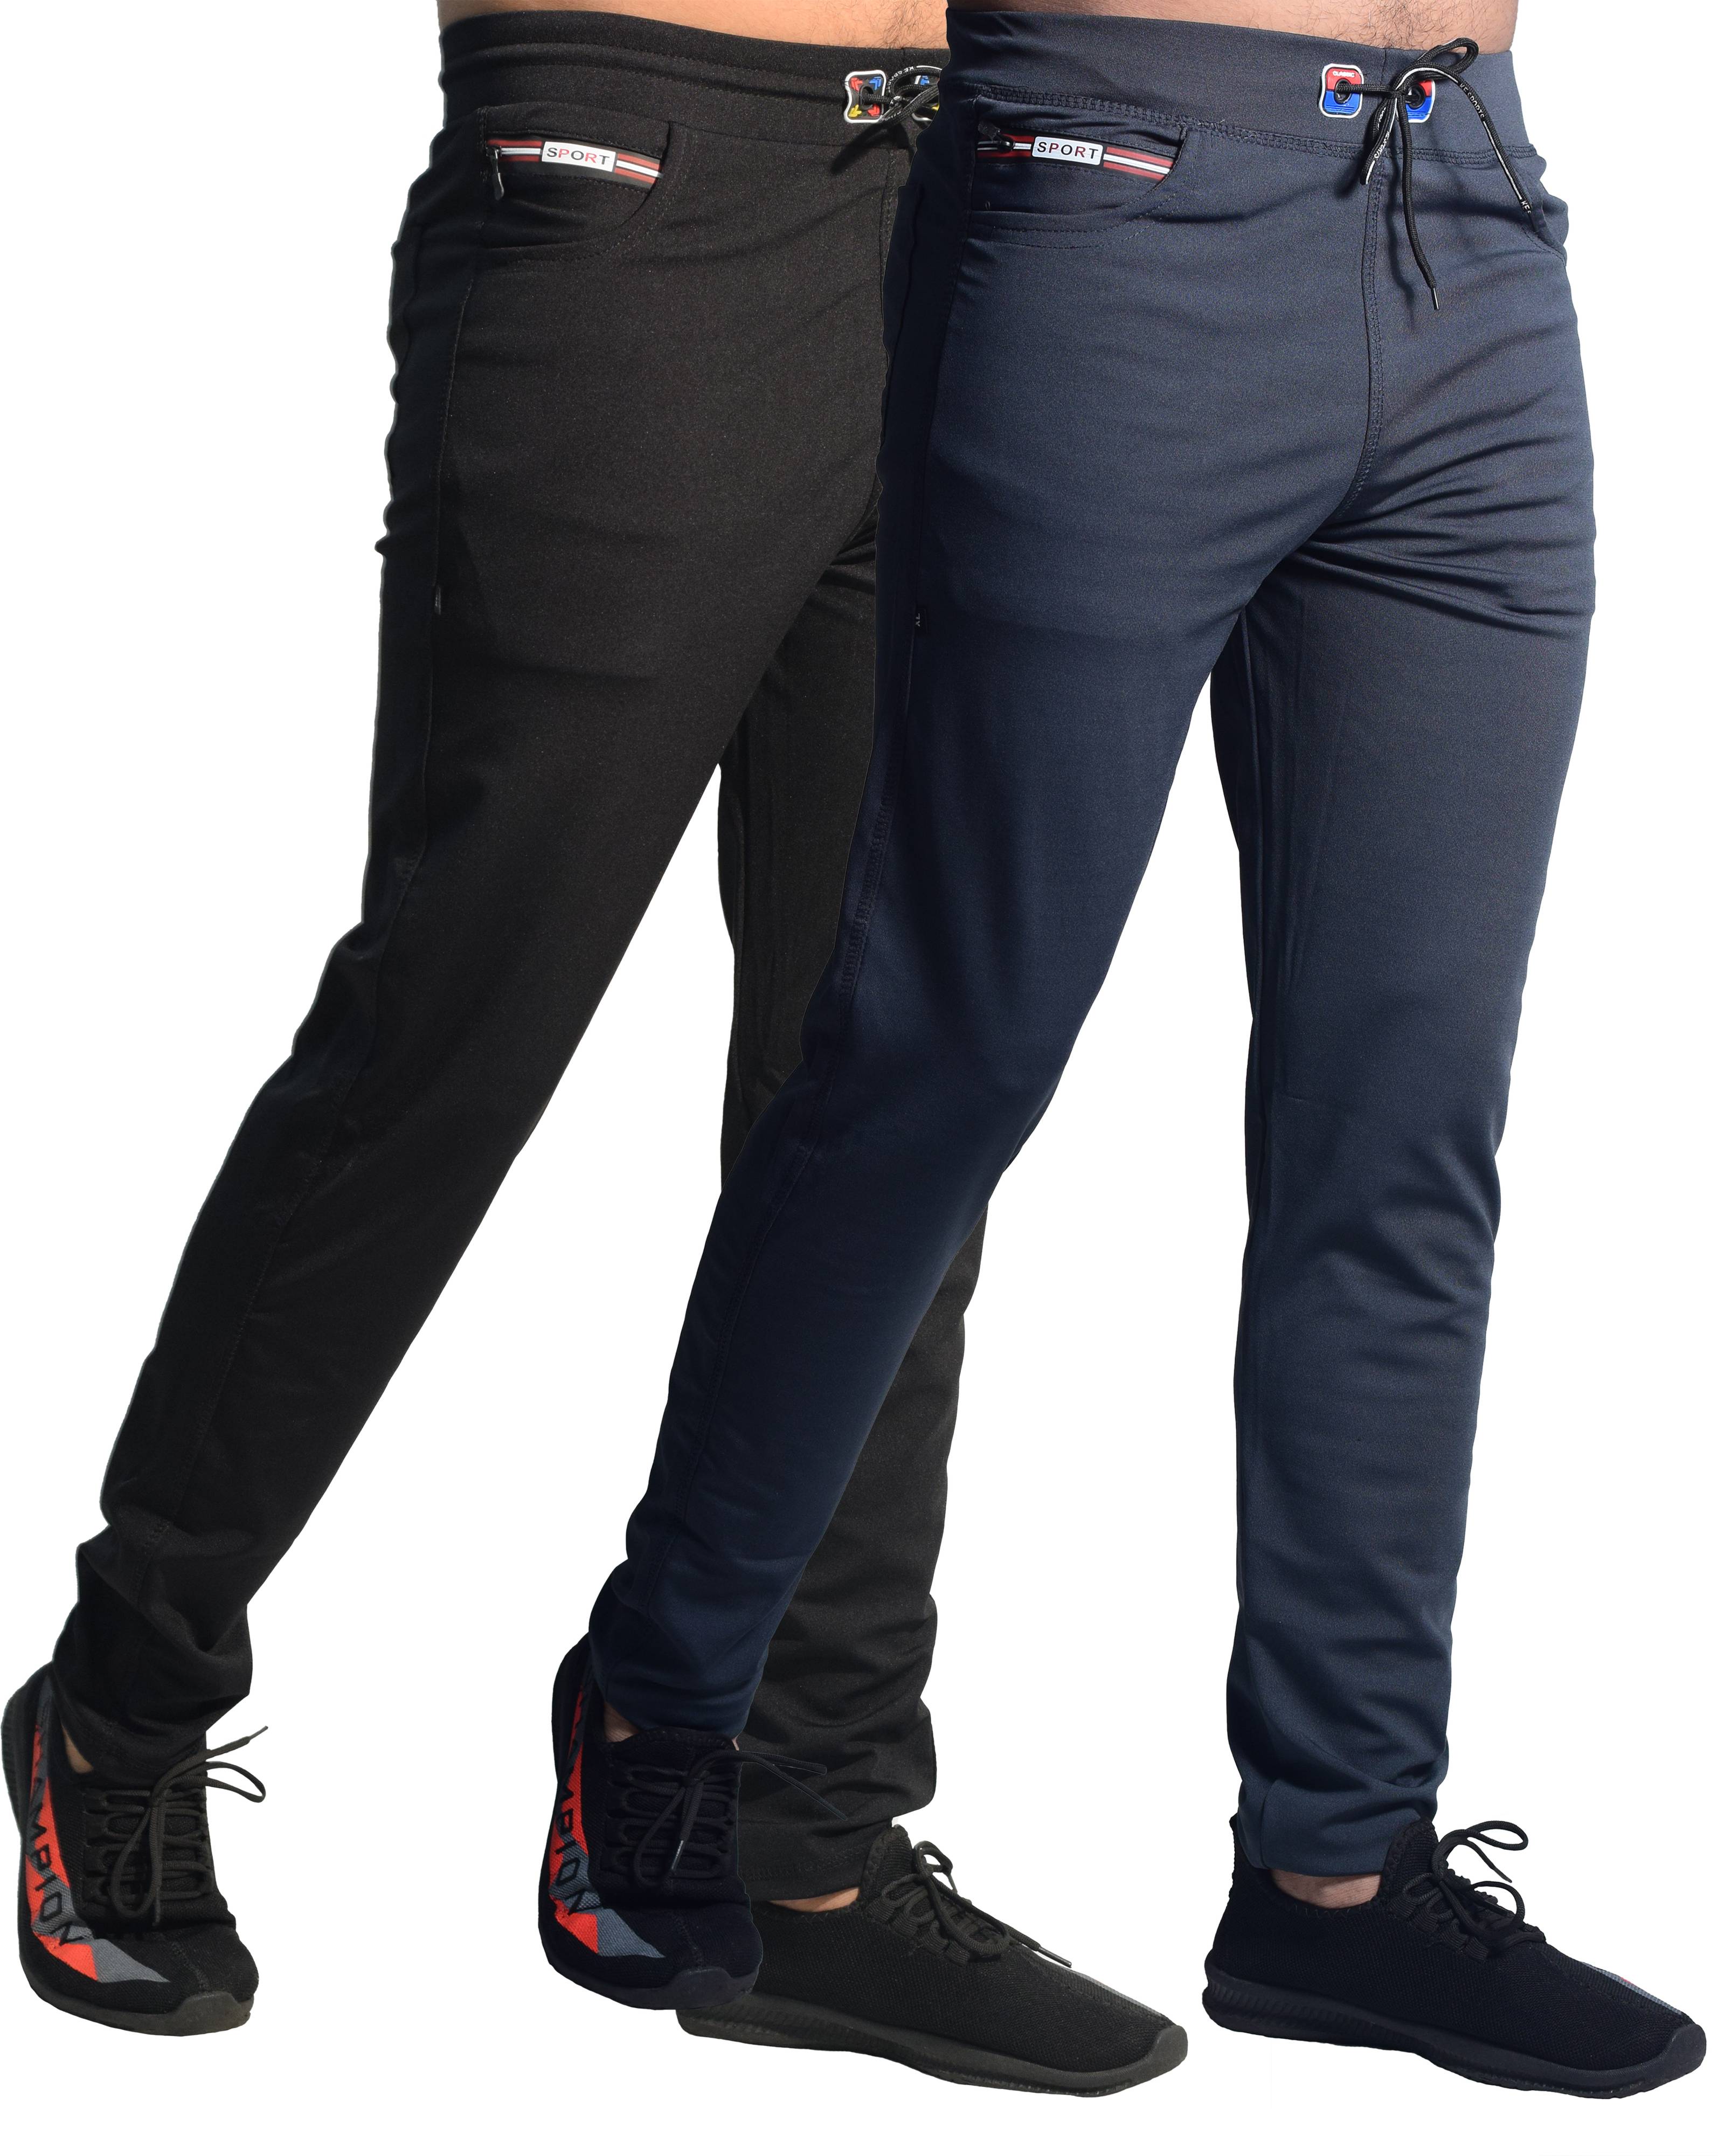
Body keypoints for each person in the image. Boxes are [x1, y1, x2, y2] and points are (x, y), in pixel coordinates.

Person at [4, 0, 1185, 2095]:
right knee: (454, 1031)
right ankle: (121, 1705)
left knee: (891, 1086)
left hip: (997, 193)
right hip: (649, 180)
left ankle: (779, 1827)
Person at [550, 0, 1708, 2100]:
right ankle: (660, 1699)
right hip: (1120, 194)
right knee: (944, 1052)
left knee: (1404, 1116)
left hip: (1468, 218)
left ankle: (1335, 1875)